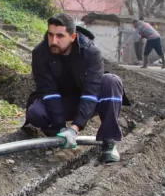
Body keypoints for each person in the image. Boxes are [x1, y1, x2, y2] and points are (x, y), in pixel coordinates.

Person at [24, 13, 128, 163]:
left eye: (60, 36)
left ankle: (109, 142)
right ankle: (57, 136)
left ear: (72, 37)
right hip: (62, 101)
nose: (53, 41)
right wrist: (61, 127)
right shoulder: (40, 53)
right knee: (35, 112)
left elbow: (91, 92)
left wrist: (75, 128)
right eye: (50, 35)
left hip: (88, 101)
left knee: (111, 81)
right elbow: (48, 91)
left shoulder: (91, 53)